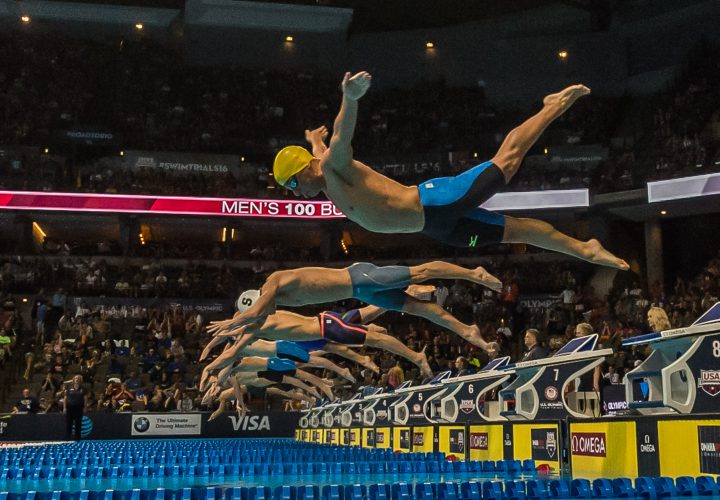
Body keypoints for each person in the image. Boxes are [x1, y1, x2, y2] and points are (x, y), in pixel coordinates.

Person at [274, 72, 628, 270]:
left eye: (291, 184)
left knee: (507, 160)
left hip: (436, 202)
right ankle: (585, 249)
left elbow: (339, 138)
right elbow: (321, 148)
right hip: (436, 227)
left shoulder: (334, 168)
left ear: (303, 169)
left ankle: (554, 106)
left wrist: (349, 99)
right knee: (515, 232)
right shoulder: (321, 172)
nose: (294, 192)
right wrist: (311, 140)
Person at [208, 261, 500, 349]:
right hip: (363, 292)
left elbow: (256, 315)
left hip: (359, 275)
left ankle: (473, 273)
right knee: (417, 308)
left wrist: (231, 323)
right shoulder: (270, 304)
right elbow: (255, 324)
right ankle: (467, 330)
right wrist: (224, 338)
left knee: (421, 271)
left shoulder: (273, 281)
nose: (264, 315)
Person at [202, 303, 432, 385]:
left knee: (376, 338)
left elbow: (231, 348)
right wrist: (209, 350)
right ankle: (401, 298)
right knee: (368, 318)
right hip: (319, 333)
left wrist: (209, 367)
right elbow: (229, 344)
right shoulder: (258, 324)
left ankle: (415, 356)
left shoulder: (260, 322)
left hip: (323, 326)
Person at [64, 375, 86, 440]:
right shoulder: (69, 388)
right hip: (70, 408)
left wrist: (85, 407)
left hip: (79, 408)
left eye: (78, 378)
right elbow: (65, 398)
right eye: (76, 378)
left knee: (78, 423)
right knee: (69, 423)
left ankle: (77, 438)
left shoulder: (83, 389)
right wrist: (64, 407)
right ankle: (67, 438)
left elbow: (85, 398)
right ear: (73, 380)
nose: (77, 379)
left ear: (80, 380)